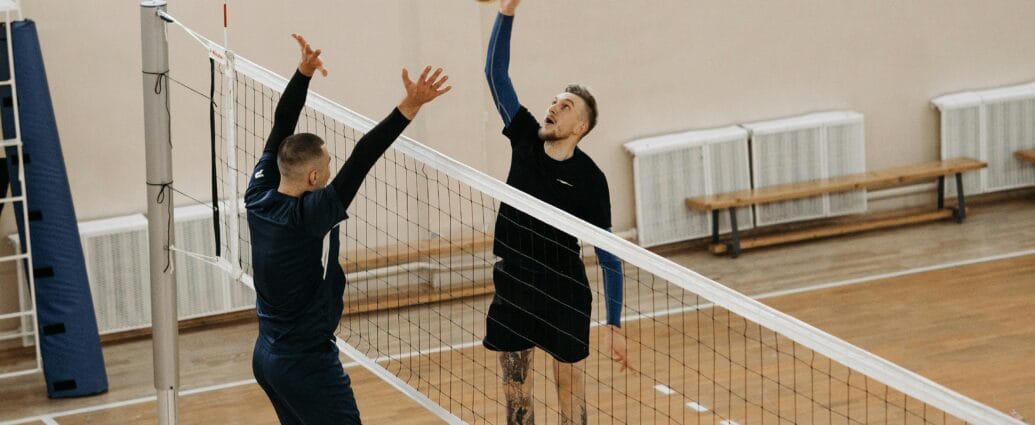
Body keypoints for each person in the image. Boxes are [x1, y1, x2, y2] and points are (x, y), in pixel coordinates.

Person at [245, 33, 451, 424]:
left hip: (268, 356)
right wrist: (409, 106)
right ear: (313, 176)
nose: (329, 172)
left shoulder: (257, 195)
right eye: (325, 166)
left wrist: (302, 73)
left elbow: (281, 124)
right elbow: (364, 156)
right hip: (306, 364)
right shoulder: (311, 216)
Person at [481, 1, 629, 424]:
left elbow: (608, 254)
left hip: (564, 290)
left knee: (569, 397)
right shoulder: (525, 138)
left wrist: (614, 322)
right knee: (518, 398)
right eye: (554, 101)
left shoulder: (590, 178)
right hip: (514, 282)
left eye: (566, 107)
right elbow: (495, 74)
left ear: (581, 127)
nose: (553, 108)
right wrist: (507, 12)